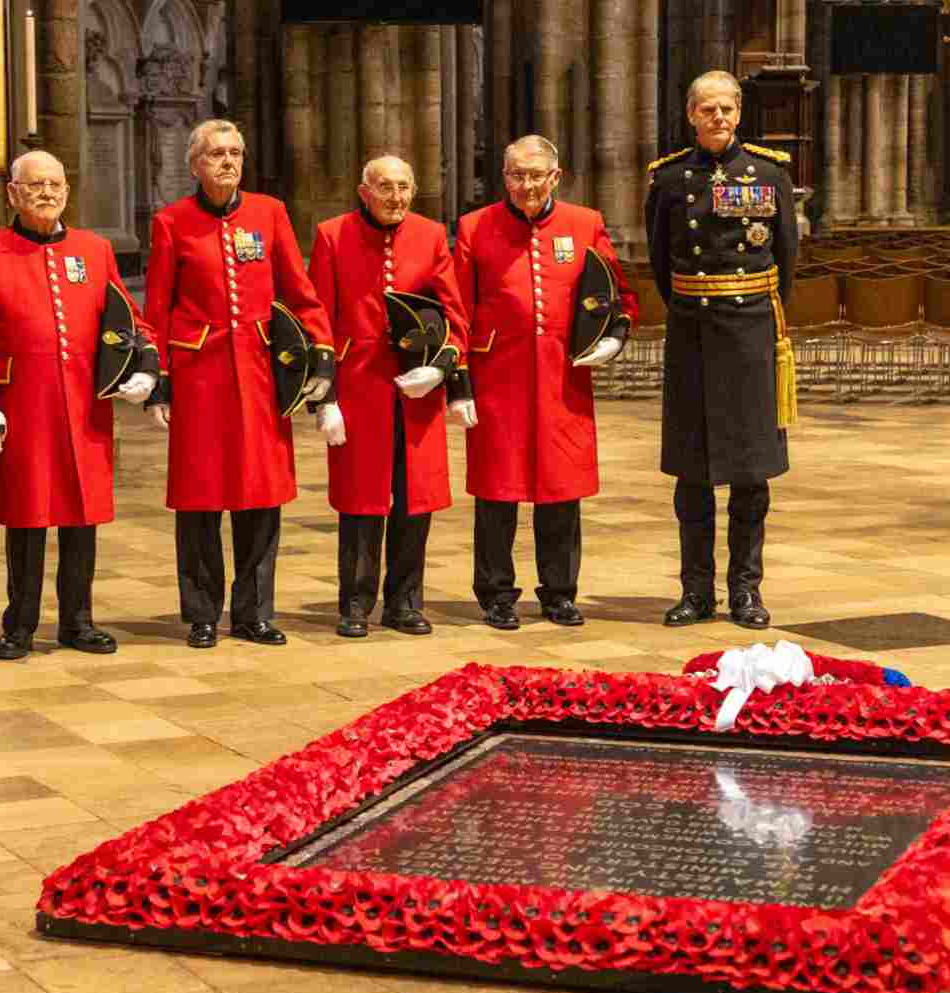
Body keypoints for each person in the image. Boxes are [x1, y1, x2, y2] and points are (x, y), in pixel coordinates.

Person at [0, 150, 157, 660]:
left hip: (85, 407)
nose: (47, 193)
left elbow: (131, 322)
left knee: (82, 515)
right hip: (23, 408)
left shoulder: (93, 250)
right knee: (26, 518)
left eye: (56, 184)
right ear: (12, 193)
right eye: (36, 184)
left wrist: (146, 368)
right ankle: (19, 625)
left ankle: (78, 621)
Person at [143, 118, 333, 649]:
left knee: (260, 496)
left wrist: (320, 359)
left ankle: (254, 612)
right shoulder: (171, 222)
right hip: (199, 376)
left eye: (235, 153)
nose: (227, 162)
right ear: (194, 164)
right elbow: (156, 307)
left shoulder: (268, 214)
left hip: (258, 373)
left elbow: (300, 291)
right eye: (216, 154)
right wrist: (158, 380)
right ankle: (202, 613)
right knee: (201, 499)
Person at [454, 134, 637, 630]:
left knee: (561, 490)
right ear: (504, 178)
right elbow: (457, 309)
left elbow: (615, 291)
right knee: (497, 492)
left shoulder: (584, 224)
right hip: (498, 379)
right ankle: (495, 594)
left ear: (555, 177)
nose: (527, 185)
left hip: (562, 378)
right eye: (517, 175)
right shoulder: (476, 227)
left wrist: (615, 336)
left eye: (536, 175)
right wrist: (459, 382)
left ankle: (559, 592)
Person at [645, 70, 797, 630]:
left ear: (739, 112)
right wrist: (692, 303)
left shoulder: (769, 173)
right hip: (692, 336)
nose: (718, 119)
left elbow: (787, 259)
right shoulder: (669, 179)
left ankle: (746, 592)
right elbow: (662, 265)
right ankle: (696, 592)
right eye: (707, 110)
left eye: (727, 109)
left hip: (752, 336)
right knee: (693, 475)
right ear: (691, 115)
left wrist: (757, 315)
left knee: (751, 475)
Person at [307, 154, 473, 639]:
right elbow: (317, 318)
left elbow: (454, 315)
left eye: (404, 187)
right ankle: (355, 604)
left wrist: (441, 370)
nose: (396, 197)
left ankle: (404, 602)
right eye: (385, 187)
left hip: (415, 389)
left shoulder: (429, 235)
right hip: (359, 388)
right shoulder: (333, 235)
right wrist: (325, 398)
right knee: (361, 501)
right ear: (364, 192)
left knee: (414, 502)